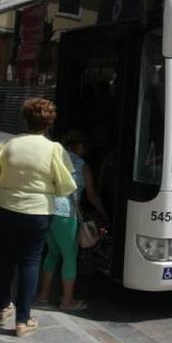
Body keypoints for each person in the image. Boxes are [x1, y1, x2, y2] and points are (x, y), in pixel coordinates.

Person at [0, 98, 76, 337]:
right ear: (49, 122)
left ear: (25, 118)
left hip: (5, 208)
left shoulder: (7, 144)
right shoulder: (54, 149)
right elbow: (66, 186)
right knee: (30, 262)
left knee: (5, 258)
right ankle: (23, 320)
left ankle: (3, 306)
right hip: (38, 212)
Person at [36, 130, 109, 312]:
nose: (85, 151)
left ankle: (43, 295)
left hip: (46, 210)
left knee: (52, 253)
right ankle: (67, 300)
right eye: (84, 147)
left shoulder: (53, 157)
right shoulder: (81, 164)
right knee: (69, 256)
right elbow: (91, 195)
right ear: (78, 146)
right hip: (65, 214)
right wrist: (105, 214)